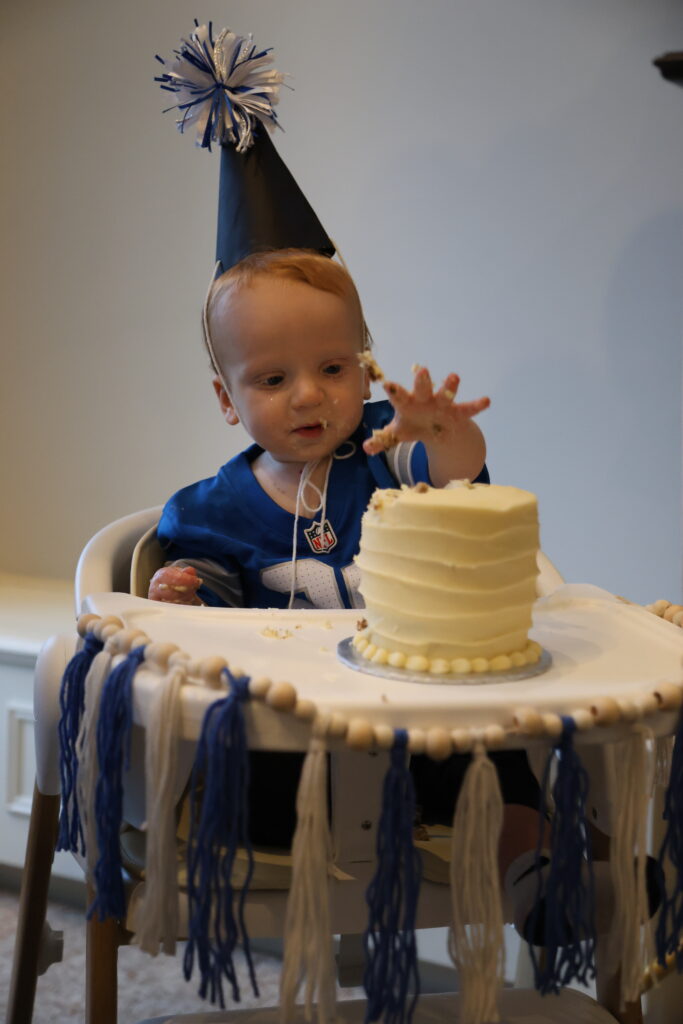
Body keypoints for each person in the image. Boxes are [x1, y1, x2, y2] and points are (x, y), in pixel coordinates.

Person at [147, 247, 565, 942]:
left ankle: (540, 880)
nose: (309, 394)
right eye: (274, 377)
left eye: (333, 369)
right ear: (227, 399)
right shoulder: (208, 511)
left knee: (497, 764)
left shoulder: (382, 447)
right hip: (292, 741)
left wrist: (445, 433)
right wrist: (179, 597)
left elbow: (453, 479)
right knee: (250, 761)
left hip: (420, 716)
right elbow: (202, 622)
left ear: (365, 367)